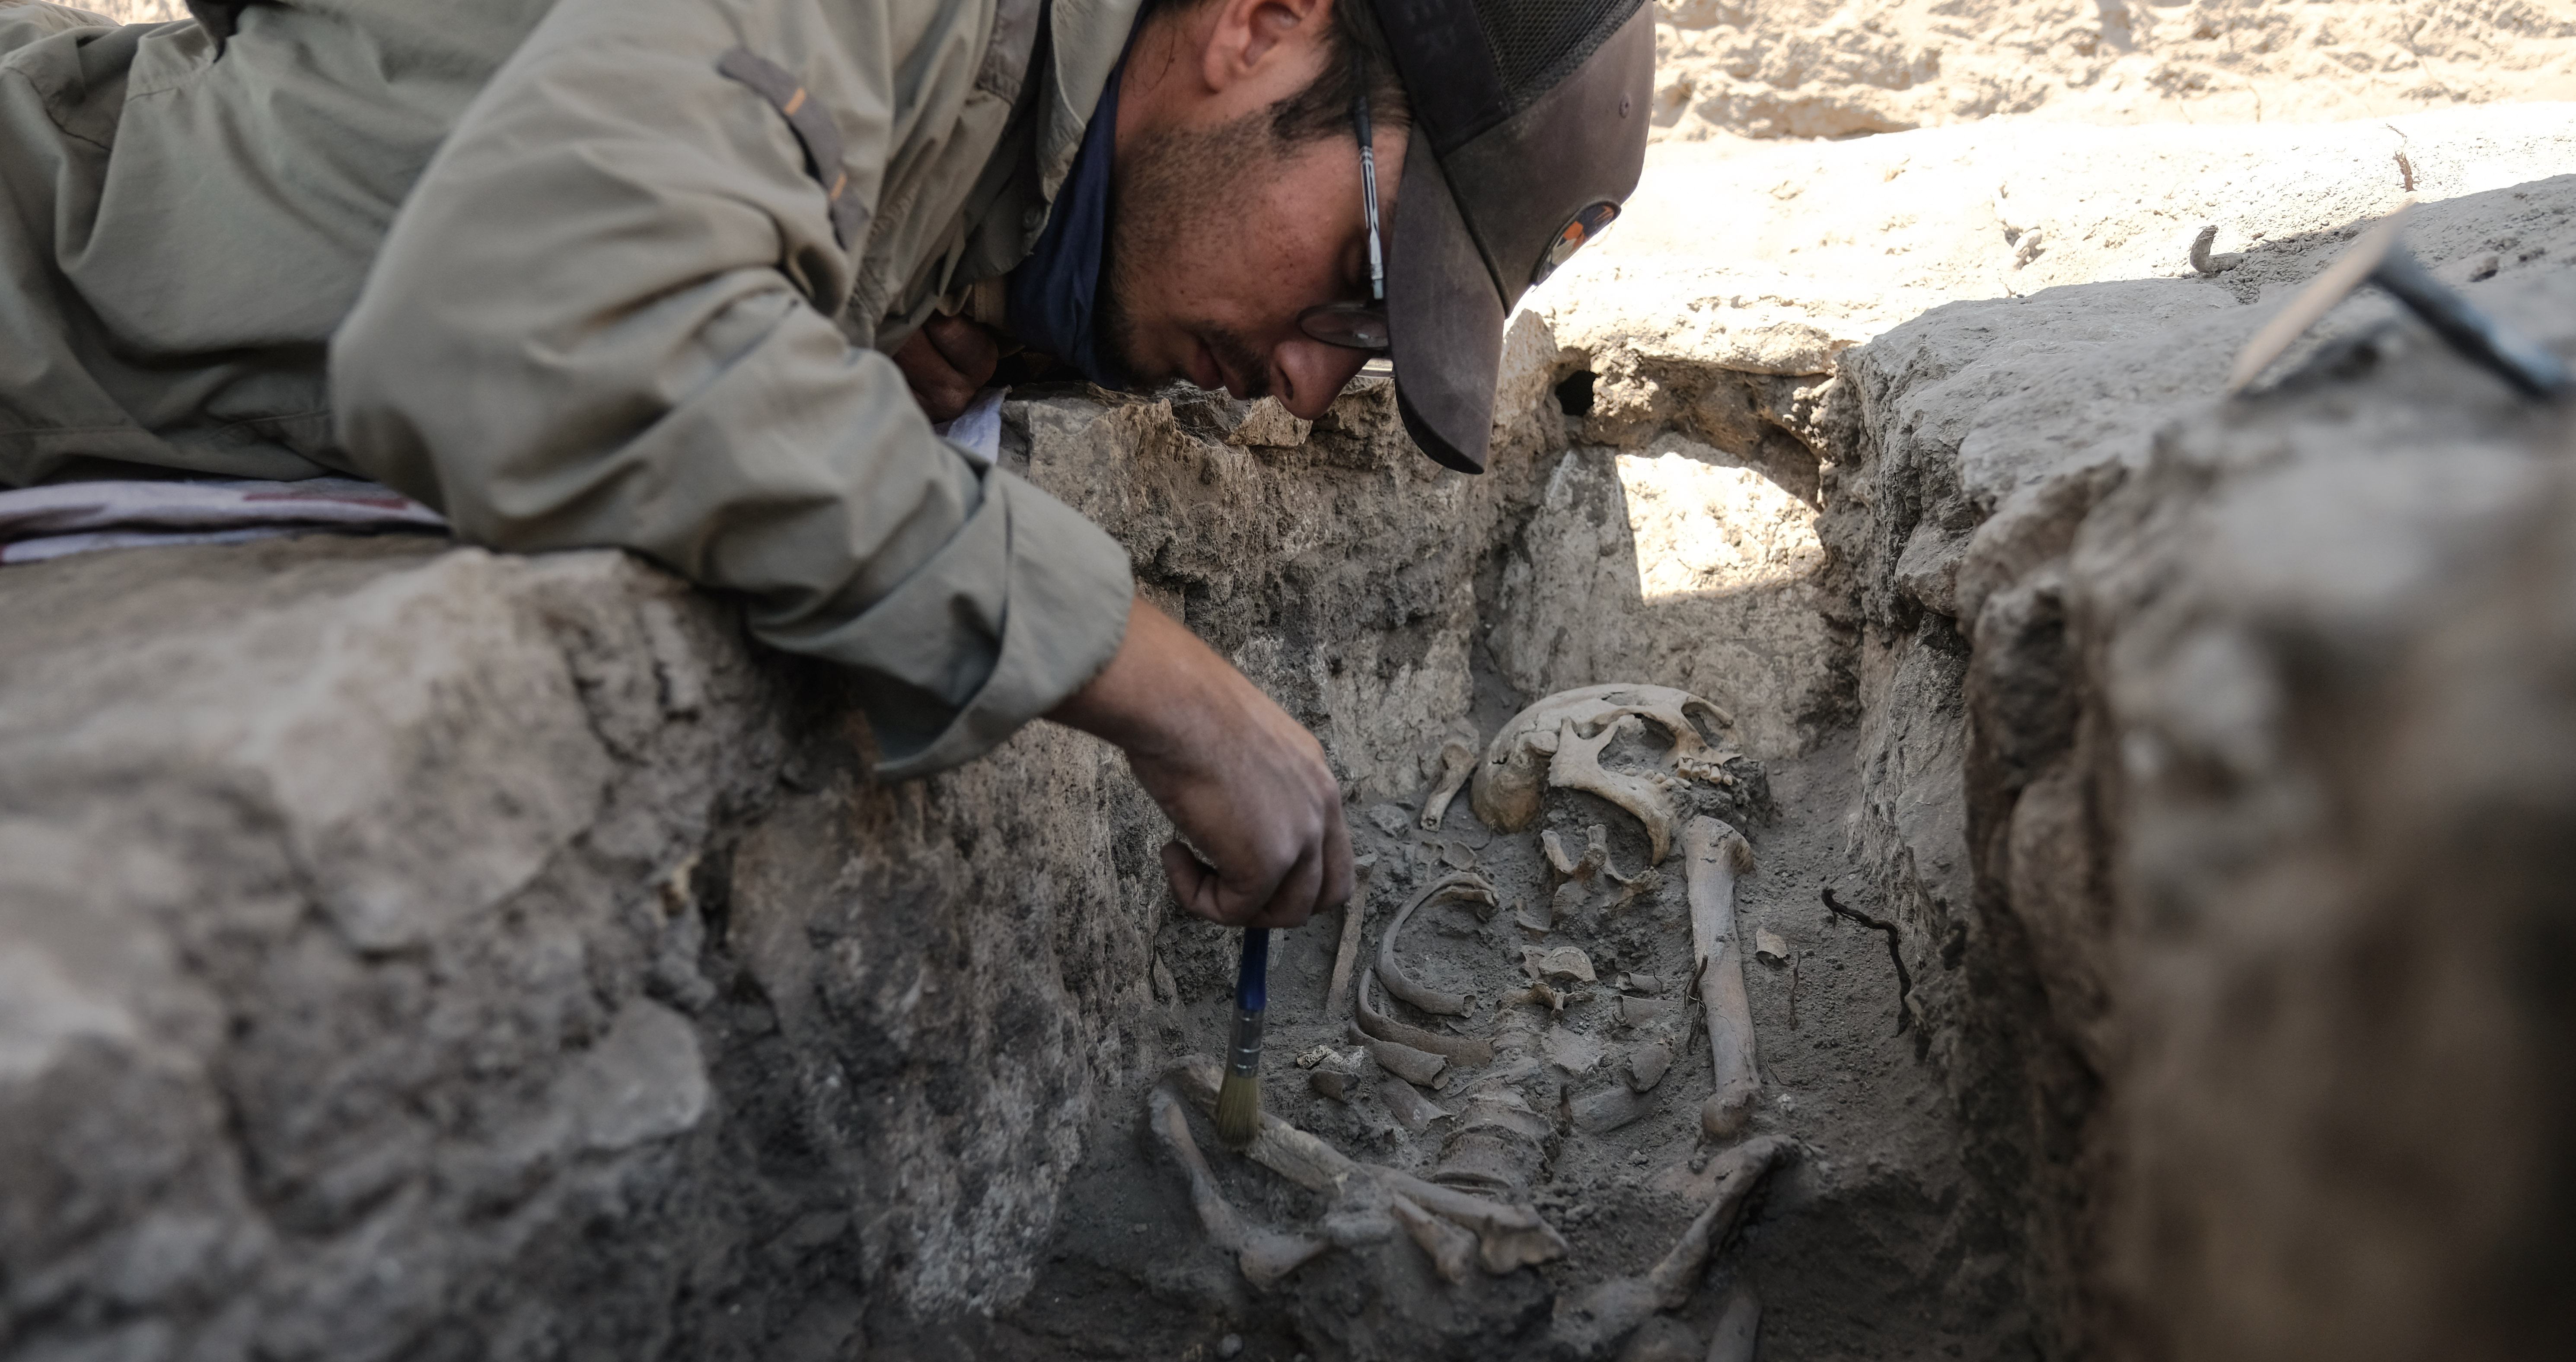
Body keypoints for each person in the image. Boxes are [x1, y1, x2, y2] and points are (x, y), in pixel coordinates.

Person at [0, 0, 1652, 926]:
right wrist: (1154, 678)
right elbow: (538, 327)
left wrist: (940, 324)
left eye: (1369, 351)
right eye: (1361, 285)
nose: (1307, 386)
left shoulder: (1027, 179)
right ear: (1264, 18)